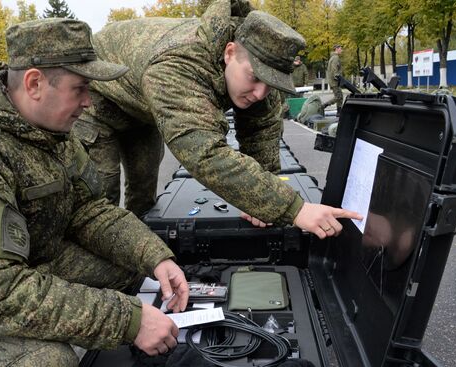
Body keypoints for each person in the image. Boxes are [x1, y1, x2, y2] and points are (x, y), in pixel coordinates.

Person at [0, 18, 188, 366]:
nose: (89, 102)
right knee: (47, 359)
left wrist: (154, 256)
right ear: (35, 83)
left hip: (33, 258)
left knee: (133, 273)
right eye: (81, 88)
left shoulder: (54, 134)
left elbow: (88, 211)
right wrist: (127, 320)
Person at [74, 0, 361, 238]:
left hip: (142, 105)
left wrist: (263, 201)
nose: (261, 93)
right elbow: (204, 153)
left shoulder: (260, 64)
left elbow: (262, 130)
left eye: (270, 83)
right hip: (100, 101)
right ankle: (108, 286)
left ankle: (143, 258)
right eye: (255, 78)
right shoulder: (178, 65)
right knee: (102, 199)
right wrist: (294, 208)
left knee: (143, 194)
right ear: (229, 52)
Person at [323, 44, 343, 116]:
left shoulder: (333, 57)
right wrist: (337, 77)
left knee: (340, 96)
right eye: (340, 49)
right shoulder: (335, 58)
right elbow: (334, 69)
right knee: (338, 97)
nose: (341, 50)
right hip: (335, 81)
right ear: (337, 49)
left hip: (334, 81)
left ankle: (339, 112)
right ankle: (324, 105)